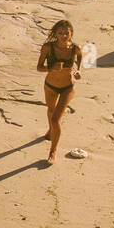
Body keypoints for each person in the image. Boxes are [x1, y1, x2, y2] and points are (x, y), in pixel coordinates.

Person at [36, 19, 81, 165]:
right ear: (55, 33)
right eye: (60, 33)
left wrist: (78, 70)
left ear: (71, 33)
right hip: (50, 86)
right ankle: (50, 131)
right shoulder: (48, 47)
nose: (63, 36)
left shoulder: (75, 48)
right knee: (50, 110)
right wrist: (51, 69)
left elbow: (80, 56)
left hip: (68, 87)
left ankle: (53, 151)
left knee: (56, 118)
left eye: (66, 33)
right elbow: (38, 67)